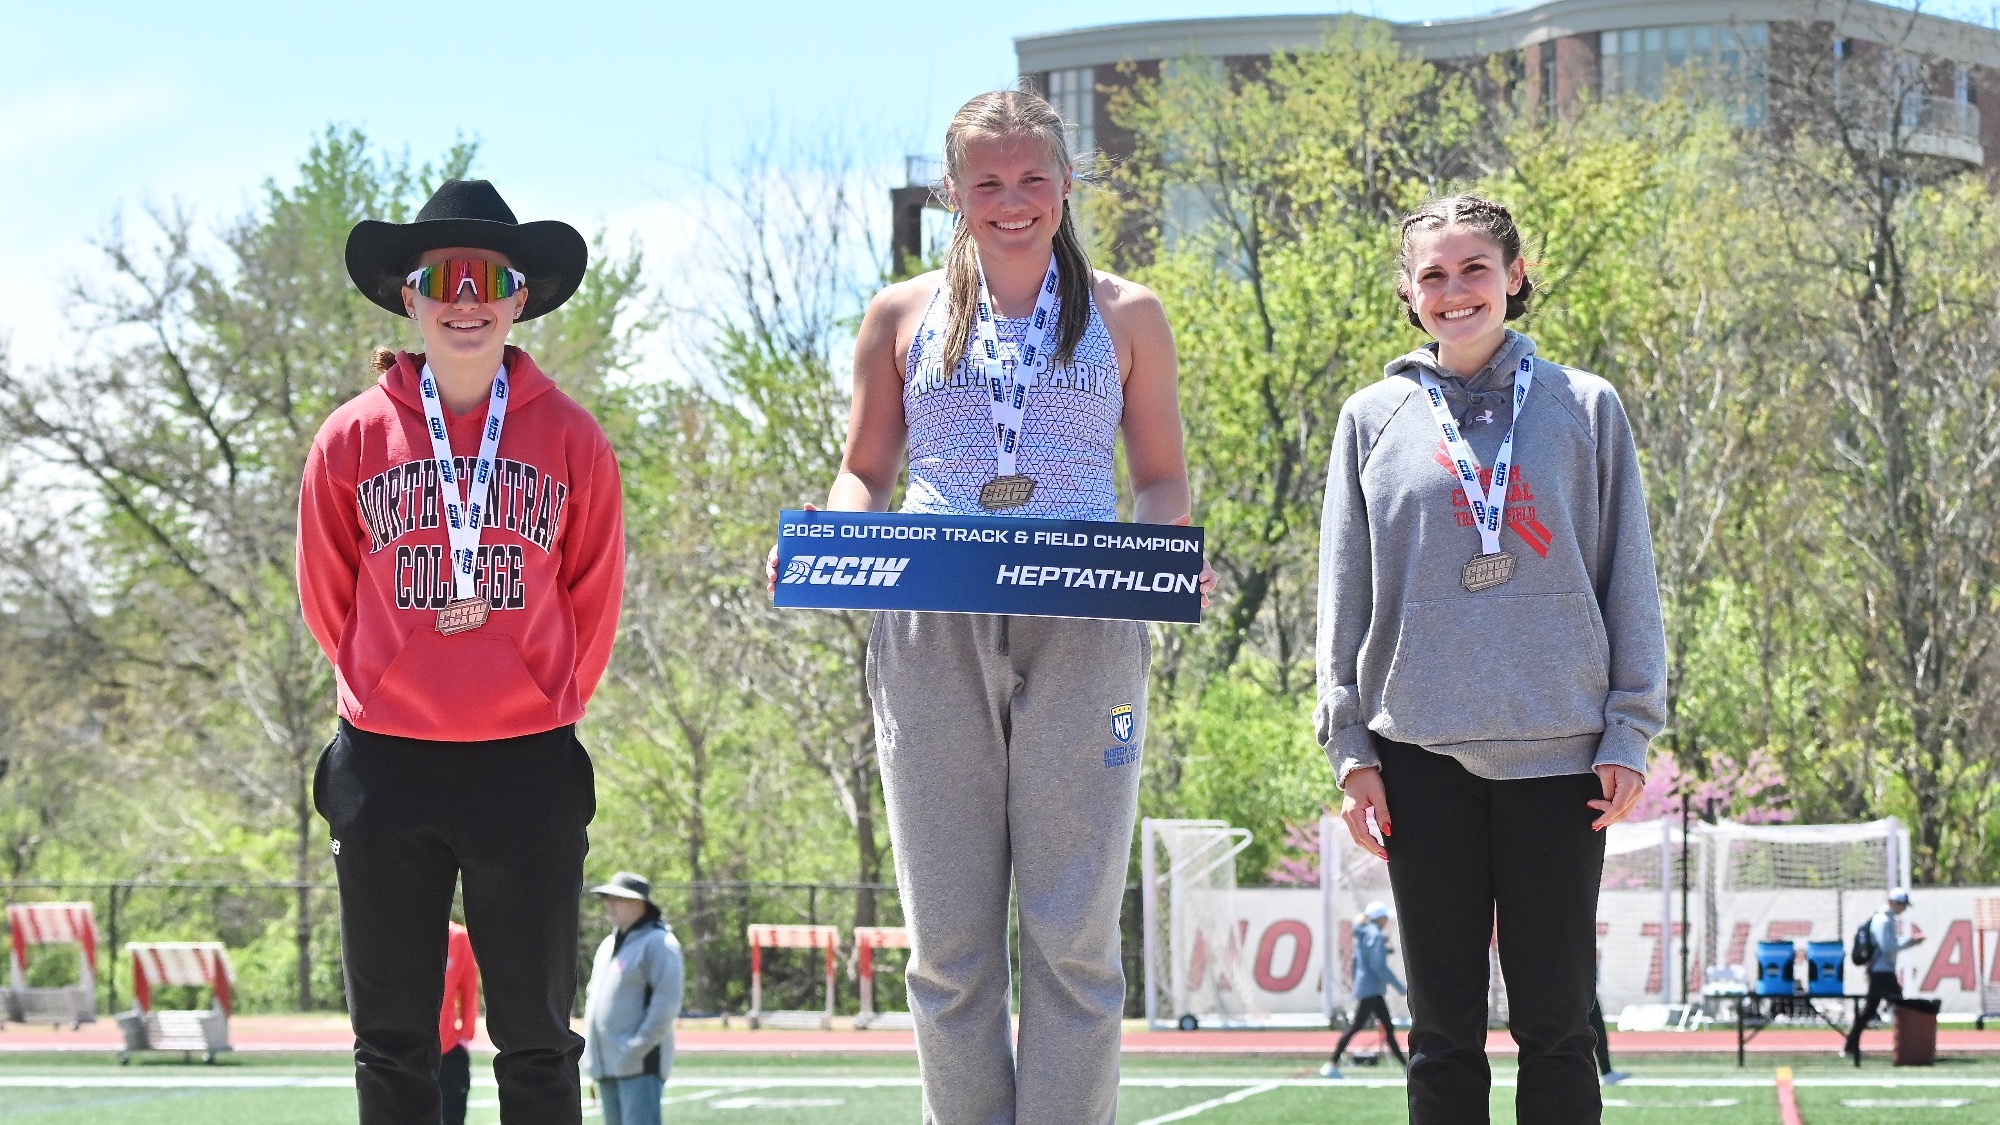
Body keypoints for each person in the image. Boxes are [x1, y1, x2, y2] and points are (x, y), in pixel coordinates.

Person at [770, 87, 1211, 1123]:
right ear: (953, 196)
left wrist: (1154, 558)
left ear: (1064, 184)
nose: (1011, 201)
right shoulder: (900, 313)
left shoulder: (1127, 312)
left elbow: (1158, 476)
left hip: (1084, 618)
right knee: (950, 944)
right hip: (932, 619)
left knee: (1072, 937)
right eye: (987, 183)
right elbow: (862, 469)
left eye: (1031, 179)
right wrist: (843, 537)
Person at [1316, 195, 1666, 1124]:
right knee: (1441, 1035)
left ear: (1513, 277)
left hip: (1561, 757)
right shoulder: (1371, 418)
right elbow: (1341, 595)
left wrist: (1630, 727)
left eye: (1475, 269)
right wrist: (1351, 747)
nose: (1455, 290)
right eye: (1434, 274)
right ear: (1408, 293)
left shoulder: (1585, 406)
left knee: (1557, 1028)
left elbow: (1628, 570)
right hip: (1418, 756)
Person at [300, 178, 625, 1125]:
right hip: (386, 765)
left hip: (526, 765)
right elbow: (328, 597)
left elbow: (593, 595)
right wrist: (388, 681)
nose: (468, 297)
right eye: (446, 276)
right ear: (411, 294)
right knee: (393, 1039)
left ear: (522, 295)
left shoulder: (571, 437)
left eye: (491, 276)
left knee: (535, 1037)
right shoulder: (352, 438)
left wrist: (536, 692)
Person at [581, 872, 684, 1125]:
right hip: (607, 1063)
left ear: (640, 904)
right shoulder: (608, 944)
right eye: (608, 898)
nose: (610, 905)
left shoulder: (659, 943)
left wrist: (637, 1047)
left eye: (618, 899)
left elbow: (666, 1003)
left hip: (639, 1065)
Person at [1321, 901, 1407, 1078]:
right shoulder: (1374, 935)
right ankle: (1331, 1063)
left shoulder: (1366, 934)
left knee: (1387, 1027)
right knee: (1357, 1026)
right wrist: (1399, 986)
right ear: (1379, 918)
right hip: (1371, 988)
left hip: (1369, 986)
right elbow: (1377, 965)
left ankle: (1405, 1066)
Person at [1845, 888, 1925, 1061]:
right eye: (1902, 904)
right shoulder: (1882, 920)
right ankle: (1908, 1048)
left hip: (1882, 971)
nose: (1903, 909)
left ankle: (1850, 1045)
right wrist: (1910, 942)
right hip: (1882, 972)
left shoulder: (1886, 919)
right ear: (1894, 903)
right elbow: (1887, 947)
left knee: (1869, 1011)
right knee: (1901, 1007)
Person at [438, 920, 480, 1125]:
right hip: (410, 1049)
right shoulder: (404, 933)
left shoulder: (458, 938)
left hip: (448, 1049)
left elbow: (469, 989)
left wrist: (464, 1034)